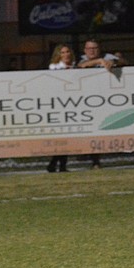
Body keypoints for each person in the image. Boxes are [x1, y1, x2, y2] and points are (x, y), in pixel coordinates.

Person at [77, 39, 129, 169]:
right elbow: (81, 66)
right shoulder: (82, 59)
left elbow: (124, 62)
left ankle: (99, 158)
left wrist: (115, 61)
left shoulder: (108, 57)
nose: (92, 51)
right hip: (86, 100)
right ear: (85, 50)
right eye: (89, 48)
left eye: (94, 48)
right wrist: (99, 62)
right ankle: (91, 157)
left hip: (107, 98)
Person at [46, 44, 75, 172]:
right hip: (58, 104)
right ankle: (56, 164)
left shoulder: (75, 65)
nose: (66, 54)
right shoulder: (54, 67)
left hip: (71, 103)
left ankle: (57, 165)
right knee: (62, 137)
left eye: (68, 51)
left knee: (67, 138)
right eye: (63, 52)